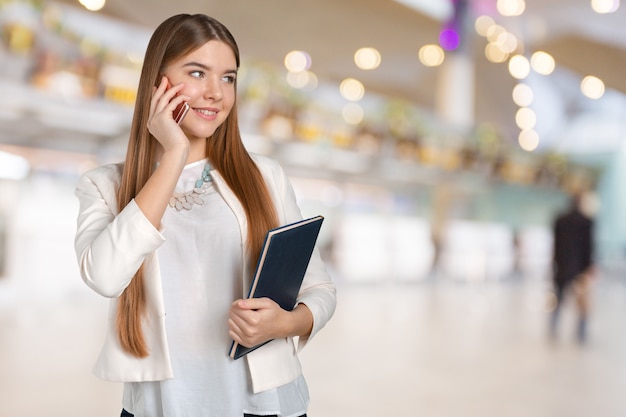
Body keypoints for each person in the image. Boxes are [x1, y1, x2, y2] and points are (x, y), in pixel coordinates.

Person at [74, 14, 336, 417]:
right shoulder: (105, 185)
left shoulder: (264, 177)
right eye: (198, 73)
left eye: (228, 78)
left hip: (263, 405)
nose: (216, 93)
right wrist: (174, 156)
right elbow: (105, 276)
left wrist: (283, 324)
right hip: (164, 407)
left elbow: (320, 291)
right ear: (156, 82)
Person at [549, 191, 596, 344]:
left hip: (562, 266)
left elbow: (555, 245)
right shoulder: (586, 221)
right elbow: (589, 247)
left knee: (558, 299)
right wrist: (589, 267)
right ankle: (581, 333)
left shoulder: (560, 220)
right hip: (579, 268)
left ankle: (552, 329)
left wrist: (554, 264)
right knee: (582, 303)